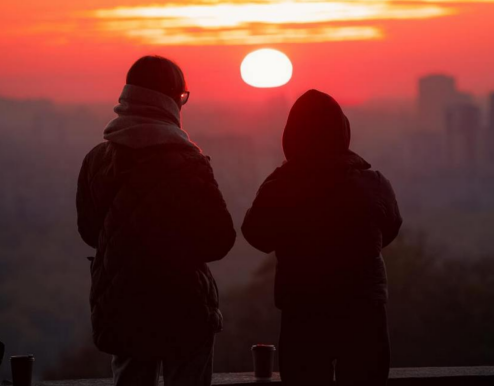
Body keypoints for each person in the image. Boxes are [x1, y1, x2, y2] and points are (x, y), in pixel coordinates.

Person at [76, 55, 236, 386]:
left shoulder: (96, 160)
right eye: (181, 98)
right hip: (184, 308)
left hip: (122, 306)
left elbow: (90, 232)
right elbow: (220, 239)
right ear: (169, 101)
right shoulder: (188, 162)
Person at [242, 89, 402, 386]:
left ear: (291, 137)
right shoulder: (374, 184)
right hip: (364, 312)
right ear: (343, 132)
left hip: (303, 312)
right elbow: (390, 230)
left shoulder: (281, 187)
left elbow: (255, 235)